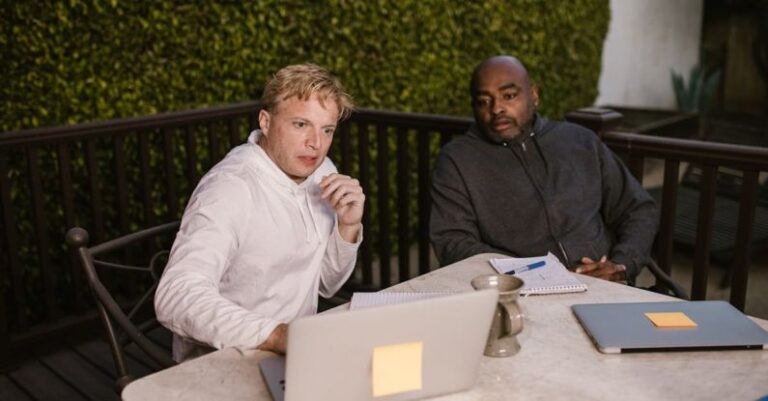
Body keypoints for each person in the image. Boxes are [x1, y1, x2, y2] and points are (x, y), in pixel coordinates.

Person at [155, 64, 364, 362]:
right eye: (300, 125)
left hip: (298, 349)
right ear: (266, 122)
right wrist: (278, 335)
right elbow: (175, 297)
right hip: (225, 360)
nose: (316, 144)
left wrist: (348, 225)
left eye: (326, 130)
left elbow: (326, 284)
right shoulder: (230, 188)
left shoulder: (323, 171)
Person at [429, 55, 658, 284]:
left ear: (534, 95)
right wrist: (529, 274)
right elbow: (452, 240)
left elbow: (638, 209)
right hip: (519, 292)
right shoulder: (457, 161)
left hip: (605, 284)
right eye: (483, 101)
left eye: (509, 96)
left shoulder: (580, 141)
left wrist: (622, 264)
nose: (497, 108)